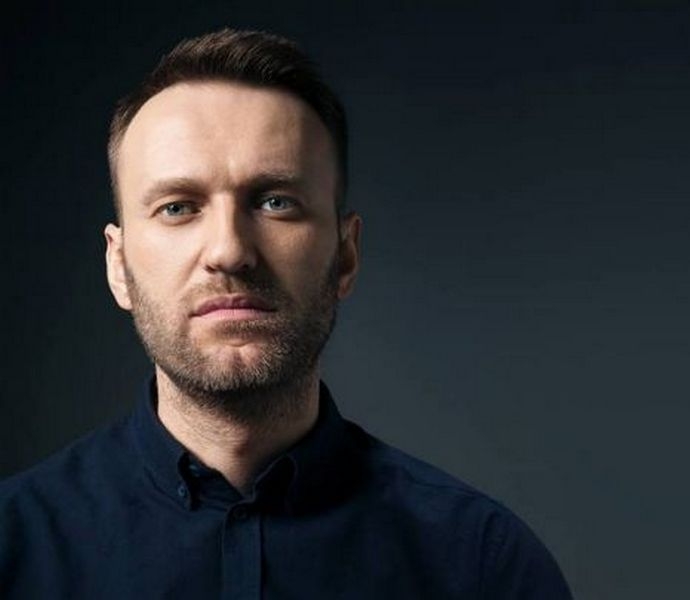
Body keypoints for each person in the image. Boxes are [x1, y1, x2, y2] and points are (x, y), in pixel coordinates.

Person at [0, 29, 572, 599]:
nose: (229, 251)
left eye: (276, 202)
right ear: (118, 266)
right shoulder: (12, 547)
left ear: (345, 256)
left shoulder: (483, 566)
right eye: (177, 208)